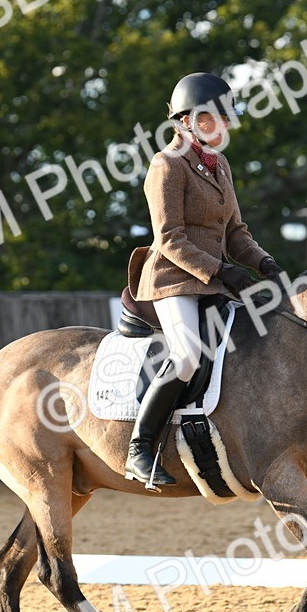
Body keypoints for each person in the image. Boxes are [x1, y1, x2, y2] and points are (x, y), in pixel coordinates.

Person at [124, 72, 284, 487]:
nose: (226, 125)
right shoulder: (166, 166)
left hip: (213, 281)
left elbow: (235, 233)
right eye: (217, 118)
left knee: (260, 339)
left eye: (226, 118)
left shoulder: (221, 167)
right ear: (189, 120)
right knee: (187, 356)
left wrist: (266, 265)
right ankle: (139, 449)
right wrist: (222, 270)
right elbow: (170, 239)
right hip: (172, 281)